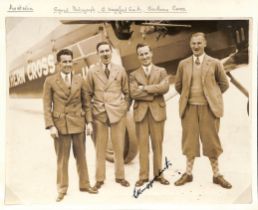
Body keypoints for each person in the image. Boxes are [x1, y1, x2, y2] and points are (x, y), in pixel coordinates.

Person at [174, 32, 232, 189]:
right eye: (193, 43)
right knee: (189, 143)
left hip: (209, 109)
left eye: (199, 43)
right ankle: (188, 174)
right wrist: (190, 98)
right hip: (189, 109)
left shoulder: (214, 63)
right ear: (190, 45)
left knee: (212, 143)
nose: (196, 46)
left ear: (205, 44)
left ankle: (216, 175)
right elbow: (178, 86)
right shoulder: (183, 64)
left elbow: (224, 84)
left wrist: (212, 97)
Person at [43, 49, 97, 202]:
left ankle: (85, 185)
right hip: (61, 127)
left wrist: (89, 123)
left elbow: (87, 104)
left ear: (73, 62)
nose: (67, 64)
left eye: (69, 61)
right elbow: (47, 106)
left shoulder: (80, 79)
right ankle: (62, 189)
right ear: (58, 64)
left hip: (78, 124)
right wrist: (51, 126)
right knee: (62, 159)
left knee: (81, 157)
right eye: (64, 61)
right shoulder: (50, 81)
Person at [85, 41, 130, 190]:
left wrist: (124, 108)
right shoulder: (92, 72)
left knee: (118, 147)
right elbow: (87, 95)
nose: (105, 54)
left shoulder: (120, 70)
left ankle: (120, 177)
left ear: (111, 52)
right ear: (97, 55)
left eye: (107, 51)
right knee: (100, 148)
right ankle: (99, 179)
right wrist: (90, 117)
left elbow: (127, 92)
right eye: (102, 51)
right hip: (100, 113)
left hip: (117, 113)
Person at [129, 43, 170, 187]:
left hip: (157, 113)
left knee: (157, 145)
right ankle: (143, 176)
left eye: (146, 53)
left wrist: (144, 89)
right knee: (143, 146)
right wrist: (154, 92)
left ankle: (159, 175)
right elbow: (133, 93)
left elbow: (165, 88)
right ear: (138, 56)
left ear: (151, 53)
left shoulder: (161, 71)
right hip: (141, 114)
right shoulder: (133, 74)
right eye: (141, 54)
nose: (144, 57)